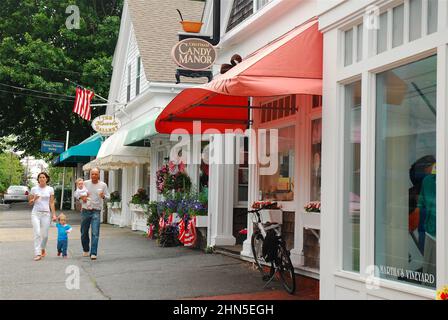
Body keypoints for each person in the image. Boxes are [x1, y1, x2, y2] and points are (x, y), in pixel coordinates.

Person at [74, 168, 110, 260]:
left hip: (96, 211)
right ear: (90, 175)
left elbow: (108, 197)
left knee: (95, 232)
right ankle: (86, 249)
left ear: (99, 175)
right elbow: (76, 194)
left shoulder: (103, 185)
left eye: (95, 174)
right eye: (92, 174)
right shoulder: (85, 183)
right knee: (83, 232)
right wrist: (82, 198)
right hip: (85, 210)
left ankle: (93, 253)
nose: (94, 176)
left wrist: (103, 196)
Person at [28, 172, 57, 261]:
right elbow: (30, 202)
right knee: (37, 233)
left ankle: (42, 248)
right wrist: (34, 199)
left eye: (43, 177)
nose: (42, 179)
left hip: (46, 214)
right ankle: (38, 253)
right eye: (40, 177)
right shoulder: (34, 189)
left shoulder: (50, 189)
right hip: (35, 213)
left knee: (45, 236)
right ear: (38, 179)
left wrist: (54, 215)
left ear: (46, 179)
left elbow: (51, 203)